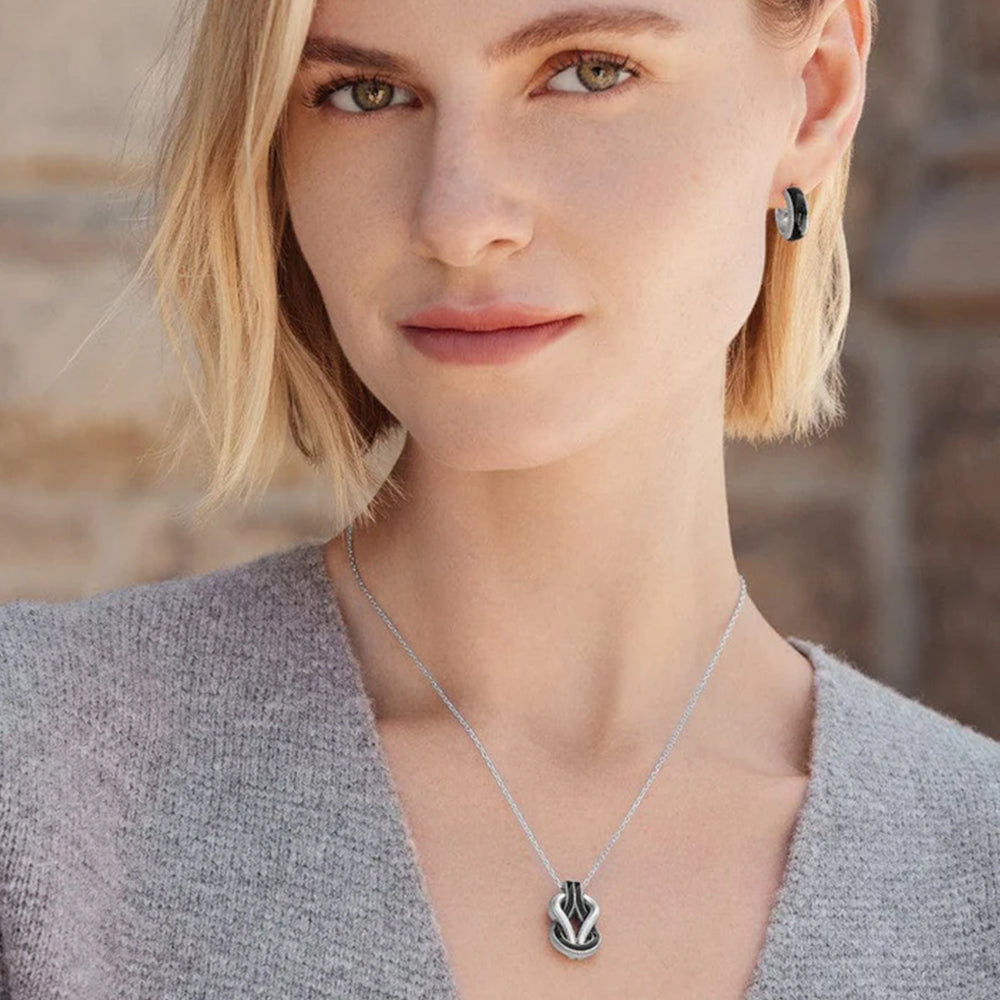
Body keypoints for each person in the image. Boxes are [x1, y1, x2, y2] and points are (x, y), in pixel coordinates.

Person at [1, 0, 998, 997]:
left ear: (815, 94)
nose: (458, 219)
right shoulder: (36, 778)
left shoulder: (971, 881)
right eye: (366, 92)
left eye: (588, 73)